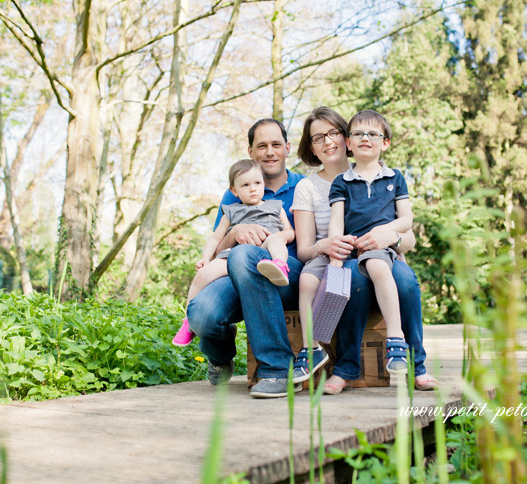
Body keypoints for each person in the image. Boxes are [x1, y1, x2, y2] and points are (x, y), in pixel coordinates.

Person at [290, 107, 438, 393]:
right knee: (354, 282)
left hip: (385, 253)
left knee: (406, 282)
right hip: (347, 257)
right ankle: (345, 368)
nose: (328, 141)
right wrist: (330, 249)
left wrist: (388, 236)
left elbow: (408, 234)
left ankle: (417, 365)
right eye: (318, 137)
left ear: (344, 138)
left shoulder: (386, 175)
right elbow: (308, 247)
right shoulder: (321, 186)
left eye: (333, 133)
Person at [186, 118, 306, 398]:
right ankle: (220, 354)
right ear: (251, 151)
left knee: (245, 254)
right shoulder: (236, 193)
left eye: (276, 144)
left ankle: (277, 369)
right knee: (202, 314)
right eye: (261, 146)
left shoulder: (303, 187)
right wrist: (236, 232)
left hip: (285, 273)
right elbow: (218, 249)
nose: (270, 152)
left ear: (287, 148)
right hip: (236, 271)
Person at [172, 159, 295, 347]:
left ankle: (279, 265)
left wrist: (279, 236)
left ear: (263, 183)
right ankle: (188, 322)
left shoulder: (275, 207)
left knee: (276, 241)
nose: (253, 189)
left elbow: (290, 232)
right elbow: (215, 238)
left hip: (265, 251)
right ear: (234, 191)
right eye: (245, 185)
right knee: (202, 275)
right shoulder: (230, 211)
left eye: (257, 183)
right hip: (234, 257)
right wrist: (205, 258)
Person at [329, 109, 412, 377]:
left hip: (383, 248)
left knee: (378, 263)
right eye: (358, 134)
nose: (365, 138)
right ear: (349, 143)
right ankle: (346, 368)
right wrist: (335, 254)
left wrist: (383, 233)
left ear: (385, 142)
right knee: (361, 273)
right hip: (356, 250)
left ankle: (396, 337)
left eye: (373, 134)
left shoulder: (395, 177)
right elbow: (336, 223)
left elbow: (407, 219)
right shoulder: (341, 181)